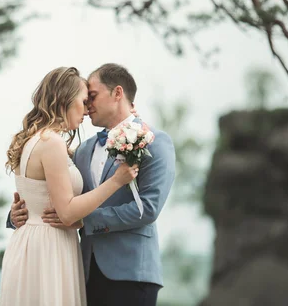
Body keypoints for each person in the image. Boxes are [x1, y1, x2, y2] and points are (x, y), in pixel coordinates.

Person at [9, 63, 176, 306]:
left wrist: (86, 221)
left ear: (117, 93)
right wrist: (20, 213)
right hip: (82, 270)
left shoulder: (154, 141)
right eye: (85, 99)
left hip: (131, 272)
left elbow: (148, 209)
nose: (87, 107)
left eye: (93, 97)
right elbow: (61, 194)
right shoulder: (83, 150)